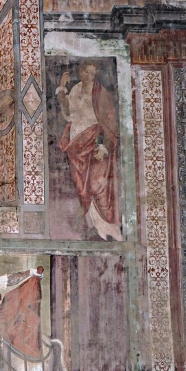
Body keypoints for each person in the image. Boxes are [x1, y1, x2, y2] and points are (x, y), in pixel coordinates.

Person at [56, 63, 123, 241]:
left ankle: (107, 228)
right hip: (75, 142)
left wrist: (104, 147)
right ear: (80, 71)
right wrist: (61, 89)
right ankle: (93, 226)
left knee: (96, 184)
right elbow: (69, 113)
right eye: (86, 71)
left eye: (92, 73)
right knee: (81, 186)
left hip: (95, 140)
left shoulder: (100, 92)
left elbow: (108, 121)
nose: (89, 76)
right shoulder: (76, 89)